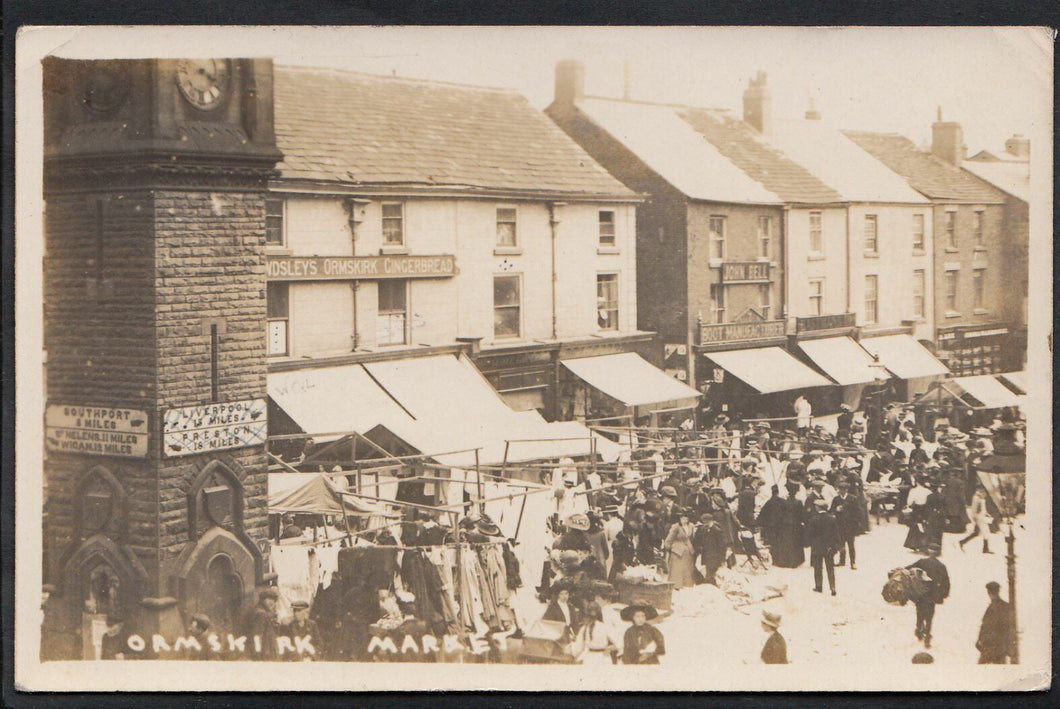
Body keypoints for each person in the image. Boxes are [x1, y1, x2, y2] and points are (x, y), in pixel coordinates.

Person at [907, 543, 950, 648]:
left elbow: (908, 569)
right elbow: (946, 582)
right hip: (932, 596)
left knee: (919, 614)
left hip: (921, 594)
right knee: (929, 617)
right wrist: (944, 594)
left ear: (929, 551)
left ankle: (919, 629)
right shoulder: (941, 566)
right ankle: (927, 635)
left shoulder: (922, 562)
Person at [976, 581, 1015, 664]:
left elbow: (986, 626)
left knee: (981, 668)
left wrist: (980, 640)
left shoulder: (993, 607)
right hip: (998, 646)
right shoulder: (1004, 606)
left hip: (992, 646)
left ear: (989, 592)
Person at [805, 499, 838, 596]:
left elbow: (810, 534)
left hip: (817, 547)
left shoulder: (814, 519)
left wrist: (809, 543)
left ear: (818, 508)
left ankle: (819, 586)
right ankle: (832, 587)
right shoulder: (832, 519)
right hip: (829, 547)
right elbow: (836, 534)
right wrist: (835, 546)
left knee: (818, 568)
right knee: (830, 568)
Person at [663, 508, 696, 589]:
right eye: (683, 518)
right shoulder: (675, 527)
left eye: (686, 518)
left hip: (688, 550)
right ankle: (676, 585)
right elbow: (668, 540)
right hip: (677, 551)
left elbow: (691, 538)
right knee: (677, 570)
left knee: (687, 569)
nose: (685, 520)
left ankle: (686, 585)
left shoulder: (691, 526)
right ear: (680, 518)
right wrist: (669, 548)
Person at [246, 587, 281, 660]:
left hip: (267, 650)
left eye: (273, 600)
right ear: (262, 600)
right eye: (268, 599)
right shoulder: (261, 613)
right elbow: (258, 636)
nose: (271, 602)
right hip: (263, 652)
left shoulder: (268, 613)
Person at [693, 512, 727, 585]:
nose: (704, 524)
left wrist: (722, 559)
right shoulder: (705, 529)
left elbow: (722, 546)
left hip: (714, 557)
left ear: (709, 521)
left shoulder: (717, 530)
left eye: (705, 522)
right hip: (707, 556)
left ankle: (710, 588)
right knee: (709, 574)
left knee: (710, 575)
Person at [830, 482, 858, 570]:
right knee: (841, 544)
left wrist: (855, 524)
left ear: (846, 490)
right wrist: (836, 509)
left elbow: (857, 512)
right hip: (840, 526)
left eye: (843, 489)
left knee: (851, 545)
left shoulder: (852, 498)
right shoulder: (836, 499)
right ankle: (842, 561)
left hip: (850, 526)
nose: (841, 491)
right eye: (840, 489)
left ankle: (853, 562)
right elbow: (831, 511)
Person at [960, 484, 994, 554]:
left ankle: (963, 542)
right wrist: (976, 517)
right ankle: (985, 548)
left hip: (981, 516)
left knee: (976, 532)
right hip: (979, 517)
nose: (983, 491)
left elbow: (982, 508)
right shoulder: (977, 497)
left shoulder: (981, 497)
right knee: (985, 532)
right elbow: (975, 509)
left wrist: (986, 513)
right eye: (981, 489)